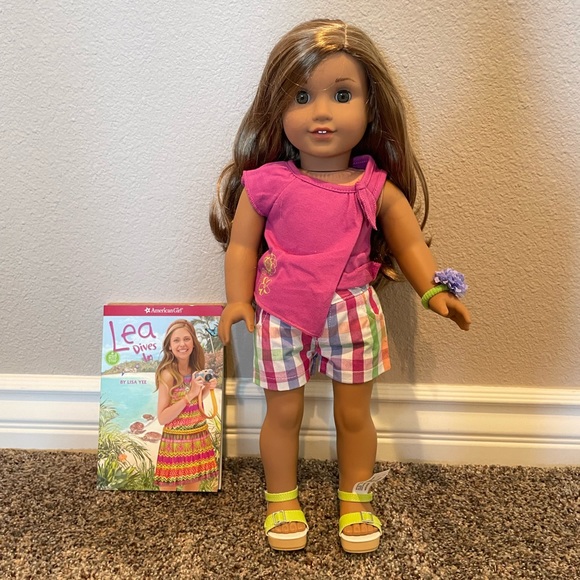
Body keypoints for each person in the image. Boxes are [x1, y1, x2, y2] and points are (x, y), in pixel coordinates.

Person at [210, 19, 471, 552]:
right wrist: (238, 299)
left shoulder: (375, 188)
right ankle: (281, 497)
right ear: (276, 108)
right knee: (283, 413)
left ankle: (356, 497)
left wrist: (433, 291)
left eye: (342, 95)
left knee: (354, 415)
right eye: (302, 96)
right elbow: (241, 247)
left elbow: (410, 245)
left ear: (371, 106)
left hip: (352, 311)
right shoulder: (266, 184)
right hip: (281, 313)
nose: (321, 112)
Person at [153, 319, 219, 492]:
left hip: (197, 436)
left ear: (193, 343)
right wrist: (189, 395)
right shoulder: (168, 374)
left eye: (186, 339)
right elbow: (162, 418)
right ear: (169, 346)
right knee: (167, 492)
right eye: (176, 340)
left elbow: (196, 402)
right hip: (175, 440)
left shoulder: (196, 369)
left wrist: (207, 389)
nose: (182, 344)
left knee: (192, 492)